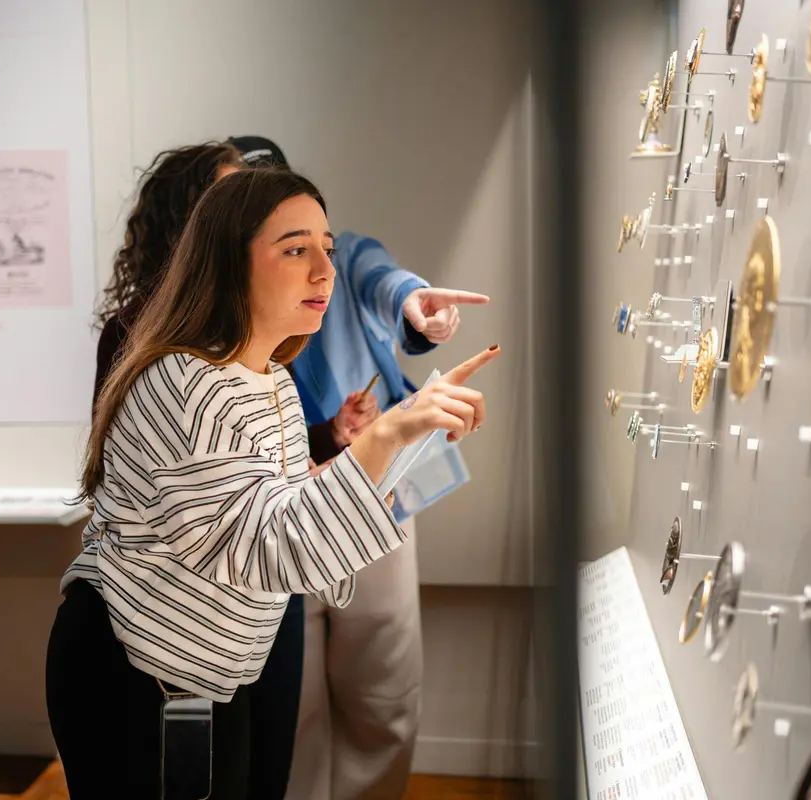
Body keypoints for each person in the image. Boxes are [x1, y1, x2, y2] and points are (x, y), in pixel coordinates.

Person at [46, 166, 499, 798]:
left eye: (326, 249)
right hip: (132, 672)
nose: (325, 271)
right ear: (230, 261)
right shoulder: (185, 381)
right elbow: (265, 545)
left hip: (200, 676)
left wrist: (404, 433)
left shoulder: (270, 379)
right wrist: (388, 435)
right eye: (295, 250)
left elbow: (287, 507)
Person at [86, 142, 378, 798]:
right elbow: (184, 484)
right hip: (181, 616)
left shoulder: (261, 349)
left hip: (253, 599)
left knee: (260, 762)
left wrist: (332, 442)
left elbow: (252, 460)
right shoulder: (156, 346)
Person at [227, 136, 491, 800]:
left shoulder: (337, 263)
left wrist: (416, 306)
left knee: (384, 690)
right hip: (279, 521)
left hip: (377, 507)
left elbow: (385, 280)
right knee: (295, 706)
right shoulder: (223, 295)